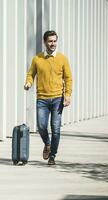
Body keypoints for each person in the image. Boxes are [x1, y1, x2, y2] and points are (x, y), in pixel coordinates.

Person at [24, 30, 72, 165]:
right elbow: (30, 74)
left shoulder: (63, 59)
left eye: (55, 41)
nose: (53, 44)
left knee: (56, 128)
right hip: (42, 99)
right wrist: (28, 82)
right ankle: (47, 143)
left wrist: (67, 95)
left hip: (58, 98)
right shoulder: (37, 59)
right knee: (41, 126)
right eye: (50, 41)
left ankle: (52, 156)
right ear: (45, 42)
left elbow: (68, 78)